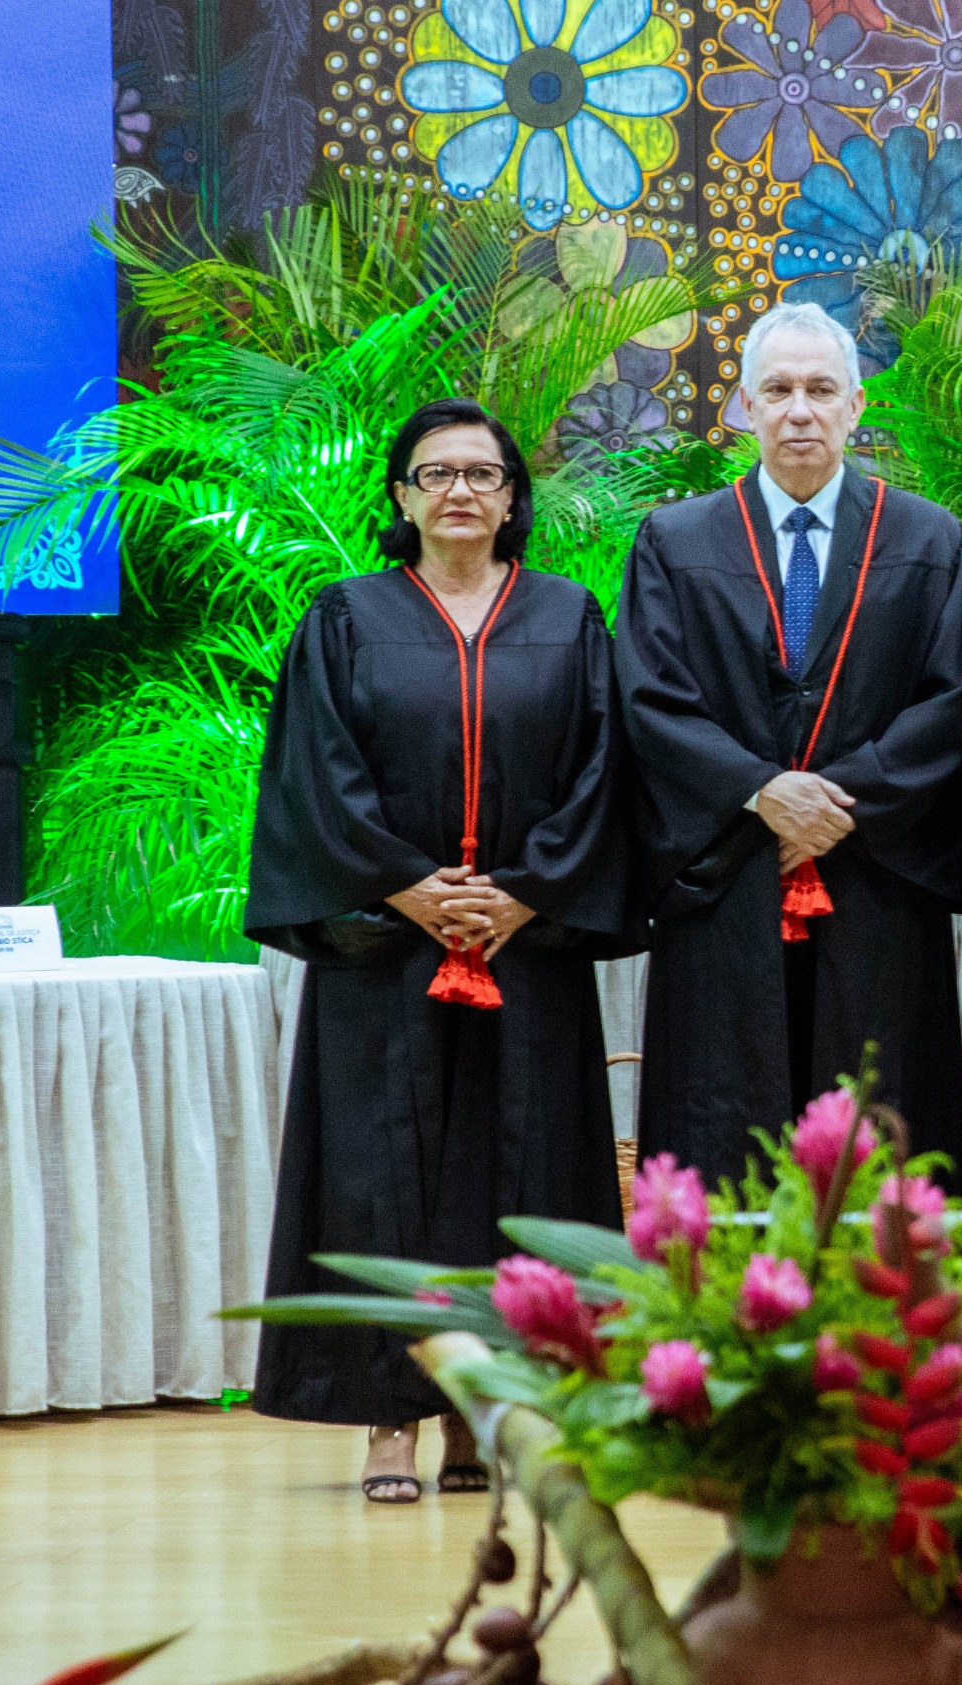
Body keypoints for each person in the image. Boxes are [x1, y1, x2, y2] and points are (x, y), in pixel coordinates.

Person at [246, 398, 630, 1501]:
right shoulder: (346, 618)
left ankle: (487, 1416)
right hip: (388, 951)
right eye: (434, 473)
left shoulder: (568, 616)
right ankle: (390, 1419)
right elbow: (316, 775)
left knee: (522, 1175)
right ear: (400, 498)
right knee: (384, 1182)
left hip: (526, 946)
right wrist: (410, 888)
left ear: (514, 497)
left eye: (481, 472)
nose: (459, 490)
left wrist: (523, 892)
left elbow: (602, 777)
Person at [617, 302, 962, 1184]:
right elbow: (649, 697)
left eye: (821, 390)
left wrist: (832, 807)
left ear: (857, 405)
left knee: (882, 1132)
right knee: (724, 1133)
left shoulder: (927, 540)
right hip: (729, 878)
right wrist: (759, 792)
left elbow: (955, 698)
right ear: (743, 406)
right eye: (777, 390)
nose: (800, 411)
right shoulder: (676, 542)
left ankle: (890, 1323)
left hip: (876, 879)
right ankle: (713, 1321)